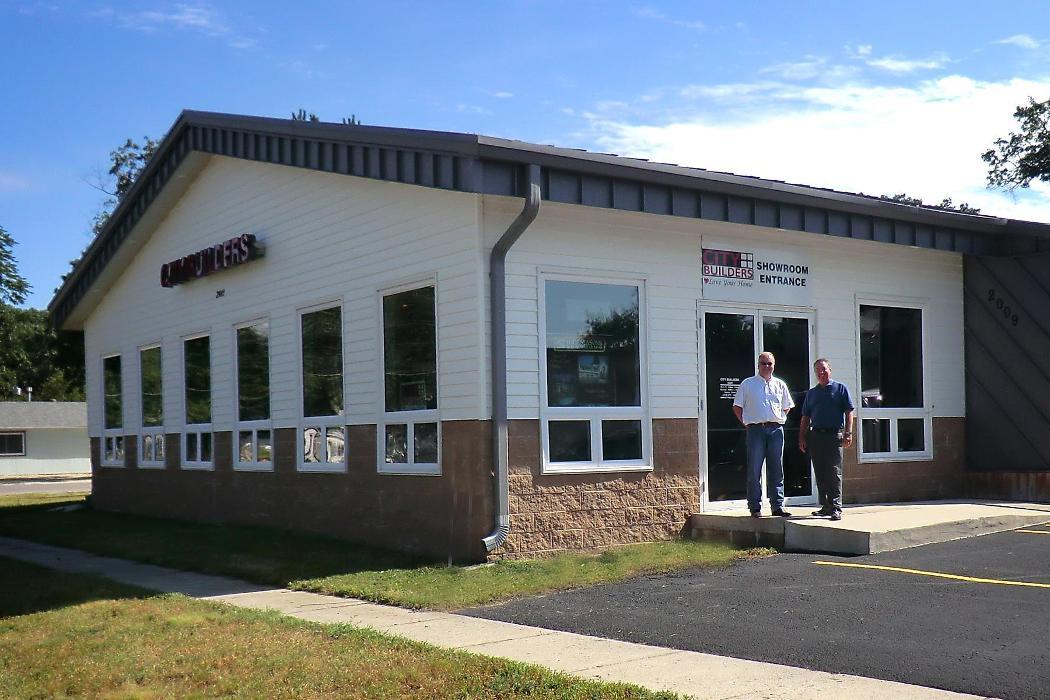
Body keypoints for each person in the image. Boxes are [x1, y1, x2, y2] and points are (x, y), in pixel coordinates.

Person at [733, 351, 794, 518]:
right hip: (756, 431)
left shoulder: (780, 384)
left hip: (776, 431)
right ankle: (755, 507)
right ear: (758, 365)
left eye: (770, 363)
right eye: (763, 363)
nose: (767, 366)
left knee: (776, 469)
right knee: (754, 470)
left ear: (774, 365)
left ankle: (777, 506)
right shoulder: (748, 384)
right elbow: (737, 407)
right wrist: (746, 422)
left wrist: (776, 419)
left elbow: (787, 407)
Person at [798, 358, 855, 521]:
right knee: (820, 471)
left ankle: (836, 507)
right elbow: (805, 417)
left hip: (834, 436)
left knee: (834, 472)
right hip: (816, 436)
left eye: (823, 369)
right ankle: (826, 506)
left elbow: (849, 412)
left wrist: (848, 433)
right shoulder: (812, 393)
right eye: (818, 370)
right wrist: (801, 437)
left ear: (830, 370)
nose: (821, 372)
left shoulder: (840, 389)